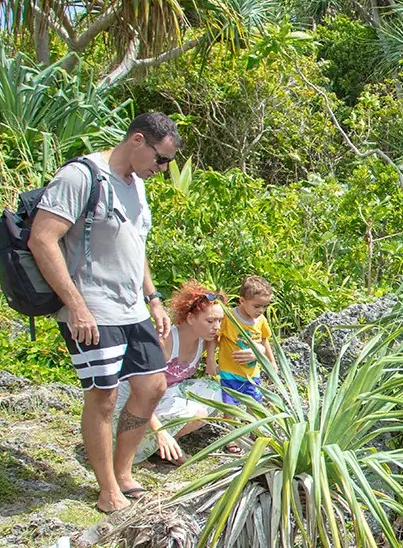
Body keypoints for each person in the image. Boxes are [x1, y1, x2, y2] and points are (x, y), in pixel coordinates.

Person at [27, 112, 181, 513]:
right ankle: (107, 488)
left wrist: (154, 298)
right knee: (104, 397)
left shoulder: (138, 185)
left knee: (152, 388)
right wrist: (76, 305)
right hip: (93, 308)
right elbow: (42, 239)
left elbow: (136, 244)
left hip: (133, 308)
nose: (162, 170)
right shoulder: (81, 177)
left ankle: (124, 470)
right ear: (136, 141)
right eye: (160, 159)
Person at [143, 282, 225, 464]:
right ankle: (155, 442)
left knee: (219, 391)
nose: (217, 327)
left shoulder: (204, 338)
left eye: (220, 320)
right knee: (199, 412)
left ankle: (169, 441)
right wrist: (160, 431)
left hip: (170, 392)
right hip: (146, 399)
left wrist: (210, 359)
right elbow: (139, 393)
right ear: (190, 318)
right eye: (210, 321)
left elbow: (227, 338)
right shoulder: (166, 341)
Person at [215, 275, 274, 405]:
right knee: (229, 405)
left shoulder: (261, 320)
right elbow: (214, 338)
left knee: (255, 404)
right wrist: (210, 361)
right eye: (257, 306)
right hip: (230, 372)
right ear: (242, 301)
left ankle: (253, 425)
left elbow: (264, 340)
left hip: (252, 374)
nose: (261, 311)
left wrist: (271, 362)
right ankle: (230, 425)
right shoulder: (228, 317)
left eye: (264, 306)